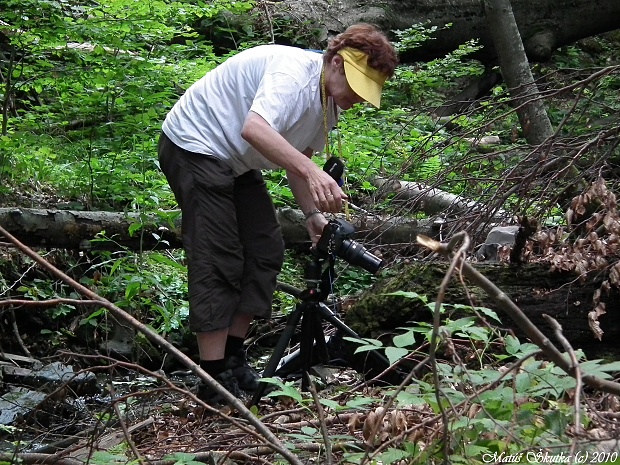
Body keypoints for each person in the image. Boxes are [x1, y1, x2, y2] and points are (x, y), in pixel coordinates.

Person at [158, 23, 398, 404]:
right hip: (193, 145)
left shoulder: (326, 104)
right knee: (218, 256)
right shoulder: (292, 75)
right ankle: (213, 379)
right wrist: (311, 172)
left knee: (265, 247)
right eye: (356, 84)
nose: (358, 98)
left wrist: (311, 215)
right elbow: (255, 129)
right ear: (335, 63)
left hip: (234, 161)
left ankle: (234, 357)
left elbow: (299, 158)